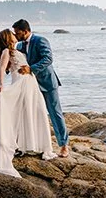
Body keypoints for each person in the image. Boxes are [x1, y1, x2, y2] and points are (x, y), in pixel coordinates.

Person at [0, 28, 55, 177]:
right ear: (7, 37)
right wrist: (1, 84)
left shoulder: (17, 49)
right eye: (12, 33)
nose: (14, 34)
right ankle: (22, 145)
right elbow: (1, 68)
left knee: (34, 111)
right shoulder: (7, 51)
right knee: (22, 112)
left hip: (31, 82)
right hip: (21, 83)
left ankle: (33, 145)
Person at [13, 19, 69, 157]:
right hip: (31, 85)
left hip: (48, 83)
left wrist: (31, 68)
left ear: (26, 31)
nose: (16, 35)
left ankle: (63, 146)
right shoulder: (19, 45)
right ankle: (31, 143)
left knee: (55, 113)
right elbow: (14, 57)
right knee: (30, 113)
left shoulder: (40, 40)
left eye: (18, 33)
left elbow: (48, 58)